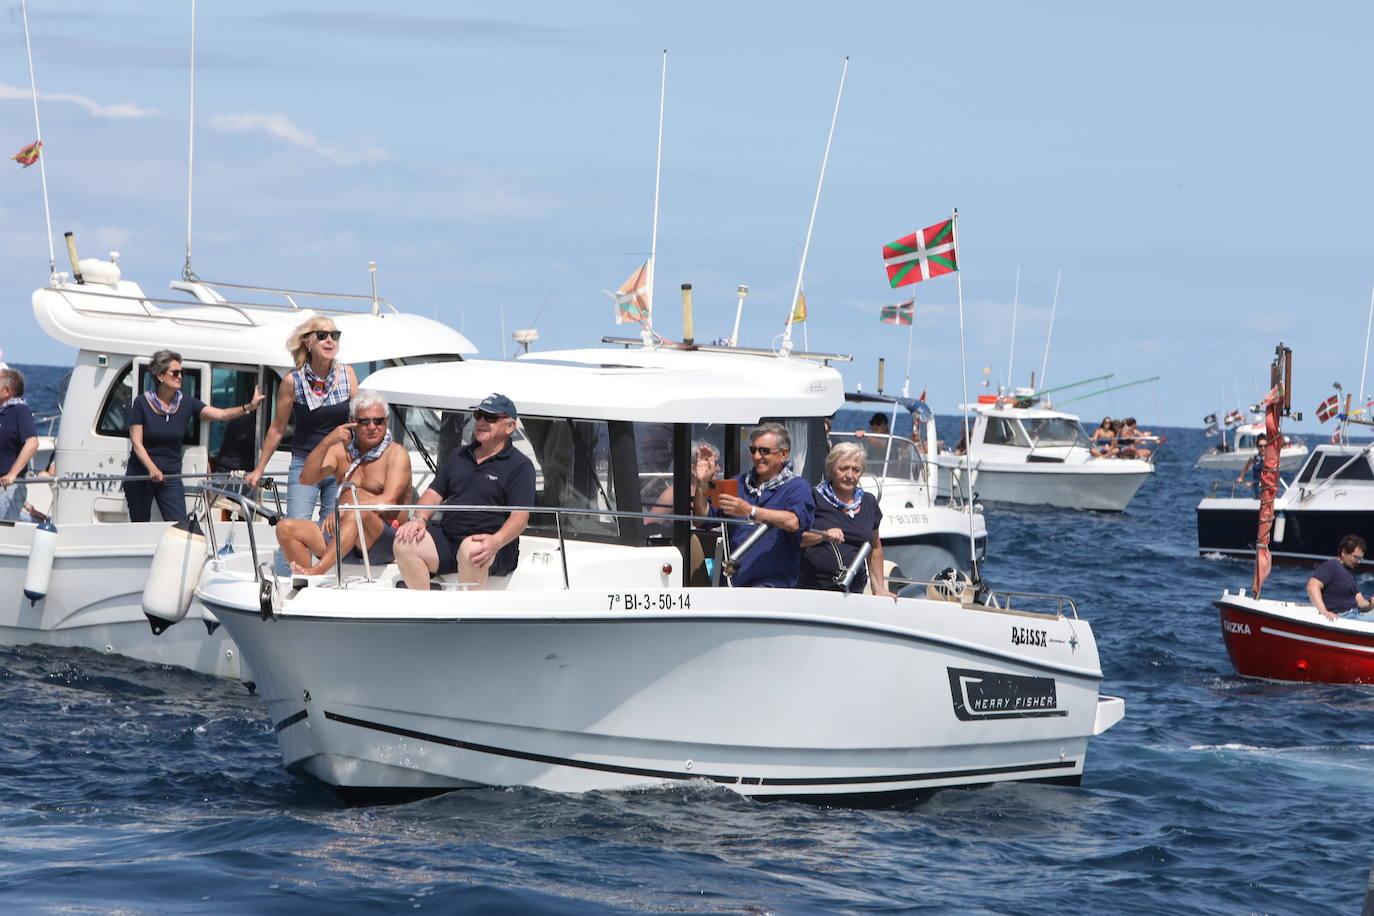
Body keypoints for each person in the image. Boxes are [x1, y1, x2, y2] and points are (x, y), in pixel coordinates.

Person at [393, 393, 535, 590]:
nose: (482, 422)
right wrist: (419, 519)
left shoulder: (520, 465)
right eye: (479, 415)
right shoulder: (458, 455)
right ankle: (426, 613)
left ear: (510, 427)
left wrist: (496, 541)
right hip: (450, 538)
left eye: (490, 418)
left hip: (494, 546)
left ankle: (466, 614)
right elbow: (434, 493)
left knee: (472, 549)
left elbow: (520, 517)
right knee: (403, 542)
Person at [275, 391, 412, 575]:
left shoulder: (396, 454)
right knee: (285, 528)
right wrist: (328, 441)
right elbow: (305, 478)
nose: (372, 427)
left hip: (382, 540)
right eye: (365, 422)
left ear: (386, 421)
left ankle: (318, 571)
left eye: (378, 421)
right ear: (353, 422)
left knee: (358, 514)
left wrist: (347, 508)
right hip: (343, 534)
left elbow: (388, 500)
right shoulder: (341, 452)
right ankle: (306, 581)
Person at [125, 350, 264, 523]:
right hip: (141, 475)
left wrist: (249, 407)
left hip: (171, 477)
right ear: (160, 376)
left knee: (179, 523)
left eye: (181, 373)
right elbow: (136, 442)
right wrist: (152, 469)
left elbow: (221, 415)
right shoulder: (141, 403)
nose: (180, 376)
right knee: (139, 526)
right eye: (175, 373)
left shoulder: (186, 403)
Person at [245, 317, 359, 523]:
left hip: (339, 465)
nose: (330, 341)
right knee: (296, 526)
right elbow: (277, 428)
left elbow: (359, 422)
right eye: (322, 336)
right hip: (304, 462)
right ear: (308, 342)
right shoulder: (292, 381)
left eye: (335, 336)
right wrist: (259, 469)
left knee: (333, 531)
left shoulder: (347, 375)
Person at [693, 422, 814, 587]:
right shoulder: (737, 483)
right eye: (753, 450)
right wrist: (701, 484)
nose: (757, 456)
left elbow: (794, 522)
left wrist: (750, 510)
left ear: (784, 454)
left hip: (773, 587)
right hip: (731, 584)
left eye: (764, 451)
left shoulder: (797, 487)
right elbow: (701, 519)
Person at [799, 442, 891, 596]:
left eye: (856, 470)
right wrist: (823, 535)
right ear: (831, 469)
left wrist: (879, 589)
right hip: (813, 589)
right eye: (843, 468)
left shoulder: (869, 502)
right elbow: (796, 538)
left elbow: (875, 547)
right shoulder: (812, 497)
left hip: (853, 592)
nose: (850, 475)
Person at [0, 368, 39, 522]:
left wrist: (12, 474)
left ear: (7, 391)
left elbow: (32, 443)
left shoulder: (19, 411)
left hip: (6, 488)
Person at [1307, 535, 1371, 621]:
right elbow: (1312, 586)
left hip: (1355, 614)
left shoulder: (1350, 573)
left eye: (1360, 559)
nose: (1358, 562)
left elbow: (1360, 602)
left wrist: (1371, 604)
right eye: (1356, 557)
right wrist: (1324, 611)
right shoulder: (1332, 565)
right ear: (1343, 552)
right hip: (1345, 616)